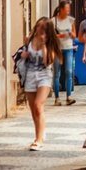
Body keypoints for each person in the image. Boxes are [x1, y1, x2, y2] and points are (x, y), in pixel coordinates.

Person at [18, 18, 61, 151]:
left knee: (38, 105)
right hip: (30, 75)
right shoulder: (29, 39)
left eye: (43, 29)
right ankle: (40, 132)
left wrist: (43, 45)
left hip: (44, 76)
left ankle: (38, 140)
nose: (40, 31)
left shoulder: (49, 43)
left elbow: (48, 62)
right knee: (33, 110)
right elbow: (21, 53)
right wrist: (23, 54)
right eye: (38, 27)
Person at [51, 1, 77, 106]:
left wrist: (71, 34)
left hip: (68, 48)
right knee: (57, 73)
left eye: (68, 9)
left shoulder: (71, 20)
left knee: (69, 71)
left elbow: (75, 35)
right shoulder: (53, 21)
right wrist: (58, 36)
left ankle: (68, 96)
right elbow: (50, 36)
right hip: (57, 49)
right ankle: (57, 98)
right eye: (66, 9)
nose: (68, 11)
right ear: (61, 9)